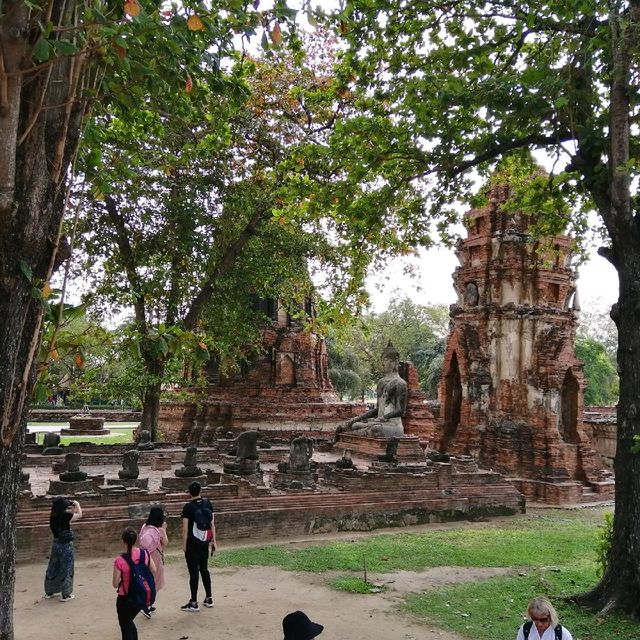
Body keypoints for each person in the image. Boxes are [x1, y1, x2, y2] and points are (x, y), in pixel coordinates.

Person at [336, 341, 408, 438]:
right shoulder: (381, 382)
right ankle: (353, 434)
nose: (385, 363)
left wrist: (383, 418)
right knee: (355, 425)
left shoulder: (400, 383)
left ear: (396, 362)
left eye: (389, 360)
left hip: (393, 425)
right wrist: (357, 418)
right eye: (384, 360)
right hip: (380, 422)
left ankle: (352, 435)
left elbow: (401, 411)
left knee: (376, 429)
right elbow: (378, 409)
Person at [112, 527, 157, 640]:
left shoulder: (120, 560)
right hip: (140, 596)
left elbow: (115, 583)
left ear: (123, 541)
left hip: (125, 597)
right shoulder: (144, 554)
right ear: (136, 539)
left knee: (125, 626)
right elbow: (154, 569)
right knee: (128, 623)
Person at [180, 481, 216, 612]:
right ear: (200, 491)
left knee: (194, 573)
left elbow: (185, 530)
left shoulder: (188, 507)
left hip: (192, 544)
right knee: (204, 569)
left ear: (189, 492)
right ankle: (209, 598)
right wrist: (214, 542)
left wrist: (184, 546)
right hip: (204, 542)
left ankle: (194, 602)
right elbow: (212, 525)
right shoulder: (208, 503)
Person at [44, 496, 82, 601]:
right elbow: (79, 515)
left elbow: (69, 522)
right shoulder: (65, 516)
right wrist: (77, 504)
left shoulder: (53, 516)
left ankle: (49, 592)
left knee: (53, 567)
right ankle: (66, 594)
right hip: (65, 546)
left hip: (56, 545)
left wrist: (72, 508)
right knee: (67, 568)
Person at [137, 506, 168, 619]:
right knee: (155, 582)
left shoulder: (145, 527)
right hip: (155, 557)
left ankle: (147, 604)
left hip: (145, 556)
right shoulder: (159, 530)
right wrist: (164, 530)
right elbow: (165, 542)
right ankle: (147, 605)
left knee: (147, 580)